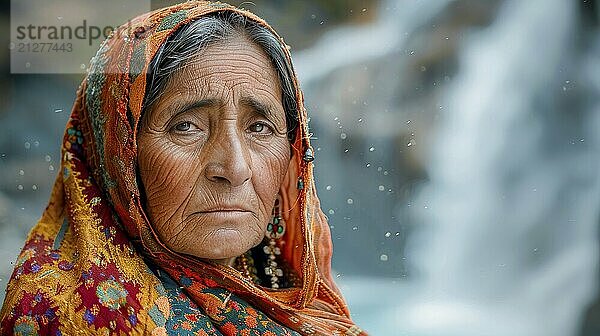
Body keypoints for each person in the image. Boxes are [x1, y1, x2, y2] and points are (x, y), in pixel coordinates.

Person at [0, 1, 366, 335]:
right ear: (116, 154)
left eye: (259, 127)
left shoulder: (299, 306)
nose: (235, 168)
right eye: (186, 127)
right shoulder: (67, 317)